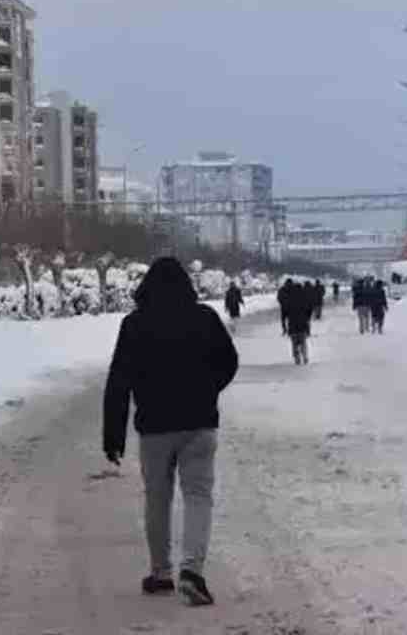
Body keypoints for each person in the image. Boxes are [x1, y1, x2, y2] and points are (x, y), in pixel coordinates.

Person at [103, 257, 239, 606]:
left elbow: (118, 381)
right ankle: (192, 571)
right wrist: (208, 390)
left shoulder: (134, 324)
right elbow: (229, 361)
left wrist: (113, 436)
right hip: (199, 424)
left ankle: (161, 572)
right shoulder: (205, 318)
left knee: (157, 498)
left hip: (154, 427)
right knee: (198, 496)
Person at [287, 282, 315, 365]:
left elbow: (286, 310)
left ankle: (297, 358)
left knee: (294, 342)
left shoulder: (290, 298)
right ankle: (305, 356)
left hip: (292, 323)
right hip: (303, 322)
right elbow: (310, 308)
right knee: (303, 341)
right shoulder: (305, 297)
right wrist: (308, 317)